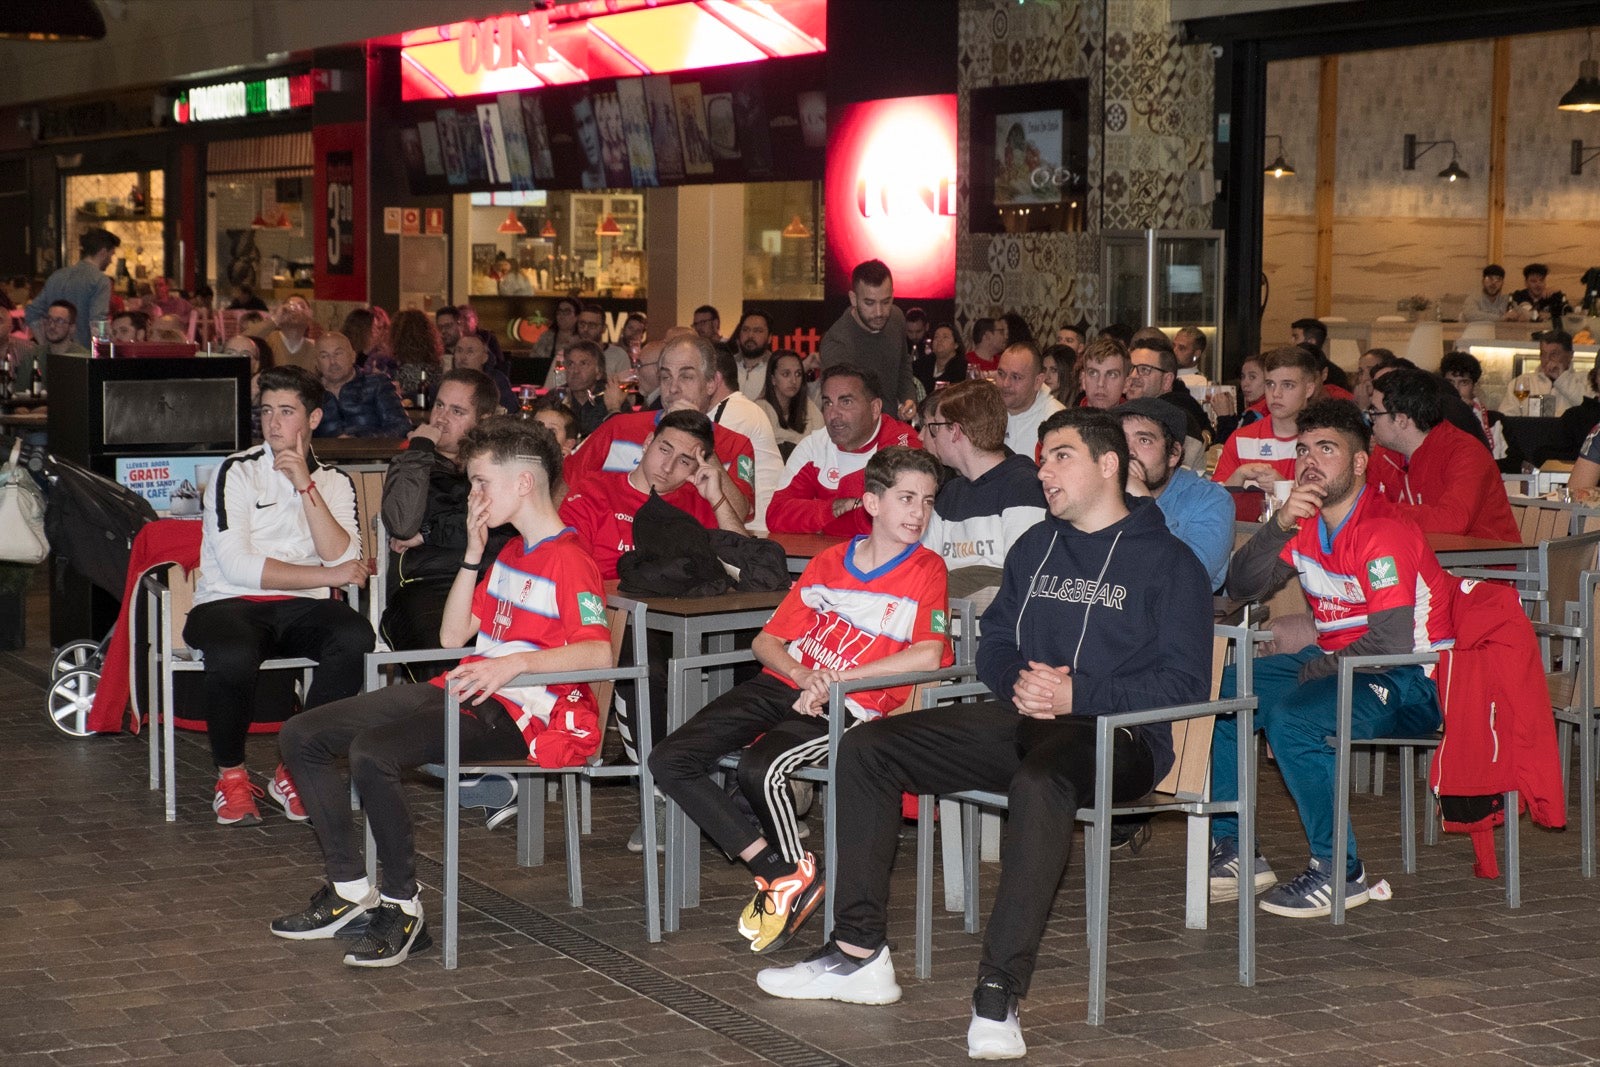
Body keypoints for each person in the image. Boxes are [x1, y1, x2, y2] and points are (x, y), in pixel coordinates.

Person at [755, 409, 1210, 1060]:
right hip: (1026, 717)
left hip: (1119, 737)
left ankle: (998, 989)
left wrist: (1080, 693)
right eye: (1043, 455)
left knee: (1041, 779)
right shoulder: (1037, 546)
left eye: (1060, 456)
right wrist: (1020, 681)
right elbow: (995, 640)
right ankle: (858, 953)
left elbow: (1188, 683)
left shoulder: (1171, 564)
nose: (1042, 468)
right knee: (868, 746)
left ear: (1108, 466)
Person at [271, 418, 613, 967]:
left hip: (523, 713)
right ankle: (349, 890)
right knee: (302, 733)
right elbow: (454, 638)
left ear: (524, 483)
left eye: (481, 482)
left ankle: (404, 907)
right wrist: (473, 554)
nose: (473, 495)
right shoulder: (510, 552)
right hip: (467, 690)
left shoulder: (569, 559)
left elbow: (599, 655)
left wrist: (517, 664)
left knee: (372, 752)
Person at [651, 446, 952, 954]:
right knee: (670, 759)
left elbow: (927, 654)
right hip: (788, 683)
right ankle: (783, 873)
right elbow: (764, 642)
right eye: (906, 499)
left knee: (758, 767)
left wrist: (837, 679)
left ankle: (786, 878)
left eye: (926, 501)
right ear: (872, 503)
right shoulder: (830, 561)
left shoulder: (927, 569)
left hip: (851, 702)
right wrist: (801, 670)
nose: (918, 513)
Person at [1209, 399, 1454, 918]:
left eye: (1327, 449)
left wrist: (1311, 670)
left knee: (1292, 719)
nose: (1310, 462)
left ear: (1360, 462)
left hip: (1414, 678)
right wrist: (1276, 526)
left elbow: (1389, 643)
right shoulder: (1305, 525)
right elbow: (1238, 589)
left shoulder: (1382, 530)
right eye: (1302, 450)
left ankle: (1340, 873)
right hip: (1341, 662)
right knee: (1226, 692)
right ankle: (1235, 852)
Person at [185, 365, 375, 827]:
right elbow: (238, 567)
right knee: (232, 651)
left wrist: (305, 485)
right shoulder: (237, 471)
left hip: (303, 608)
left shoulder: (335, 482)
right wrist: (323, 573)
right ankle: (230, 775)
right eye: (266, 411)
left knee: (354, 636)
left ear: (313, 418)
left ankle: (293, 768)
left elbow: (342, 556)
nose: (272, 423)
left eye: (286, 412)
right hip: (226, 603)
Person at [562, 334, 756, 522]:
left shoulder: (736, 445)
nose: (673, 388)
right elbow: (564, 485)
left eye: (686, 377)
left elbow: (738, 515)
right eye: (665, 377)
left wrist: (701, 438)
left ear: (711, 384)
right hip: (612, 548)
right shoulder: (618, 429)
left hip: (689, 551)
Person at [379, 368, 505, 655]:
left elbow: (502, 530)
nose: (441, 418)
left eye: (457, 411)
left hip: (490, 583)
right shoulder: (411, 462)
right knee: (442, 657)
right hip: (425, 584)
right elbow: (401, 525)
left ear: (482, 421)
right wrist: (420, 448)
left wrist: (429, 533)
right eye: (439, 405)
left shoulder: (498, 469)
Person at [560, 408, 749, 581]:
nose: (668, 467)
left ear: (697, 467)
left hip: (682, 612)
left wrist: (717, 499)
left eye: (684, 461)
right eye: (664, 450)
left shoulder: (700, 502)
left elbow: (749, 567)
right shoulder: (592, 492)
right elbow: (569, 572)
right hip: (610, 609)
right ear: (648, 442)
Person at [920, 380, 1046, 609]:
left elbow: (1024, 582)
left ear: (955, 431)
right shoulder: (950, 493)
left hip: (994, 636)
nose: (929, 438)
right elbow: (924, 571)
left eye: (935, 428)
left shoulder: (1024, 488)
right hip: (947, 629)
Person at [1366, 368, 1520, 541]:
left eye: (1375, 413)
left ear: (1401, 420)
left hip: (1481, 562)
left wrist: (1379, 511)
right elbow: (1362, 504)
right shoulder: (1385, 453)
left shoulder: (1466, 453)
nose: (1370, 420)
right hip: (1422, 558)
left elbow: (1452, 522)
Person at [767, 364, 921, 537]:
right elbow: (776, 515)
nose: (833, 414)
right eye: (828, 403)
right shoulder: (814, 446)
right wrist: (833, 508)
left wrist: (820, 523)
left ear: (875, 408)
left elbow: (891, 521)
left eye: (846, 402)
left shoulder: (902, 443)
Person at [1114, 397, 1233, 592]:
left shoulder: (1212, 501)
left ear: (1173, 454)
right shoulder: (1104, 493)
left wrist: (1145, 505)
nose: (1129, 452)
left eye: (1144, 440)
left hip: (1171, 617)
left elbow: (1188, 580)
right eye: (1121, 440)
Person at [819, 259, 916, 420]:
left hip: (892, 425)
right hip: (857, 433)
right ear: (853, 299)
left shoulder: (896, 317)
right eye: (869, 303)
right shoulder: (837, 343)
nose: (879, 312)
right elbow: (842, 405)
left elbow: (903, 365)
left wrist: (908, 398)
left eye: (886, 302)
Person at [701, 346, 785, 532]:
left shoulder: (735, 412)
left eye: (691, 377)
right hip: (748, 526)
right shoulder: (730, 409)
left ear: (713, 380)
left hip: (757, 531)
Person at [1213, 346, 1318, 487]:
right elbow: (1213, 502)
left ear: (1309, 389)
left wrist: (1283, 487)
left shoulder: (1325, 441)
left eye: (1287, 385)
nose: (1276, 393)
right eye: (1270, 384)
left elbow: (1335, 505)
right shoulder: (1240, 439)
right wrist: (1237, 478)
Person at [27, 226, 118, 350]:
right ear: (102, 252)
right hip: (83, 354)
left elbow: (32, 312)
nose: (111, 261)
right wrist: (104, 353)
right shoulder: (101, 280)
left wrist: (44, 344)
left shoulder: (57, 275)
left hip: (55, 353)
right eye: (111, 255)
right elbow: (98, 322)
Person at [312, 332, 412, 439]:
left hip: (374, 454)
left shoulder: (376, 384)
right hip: (324, 455)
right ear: (316, 364)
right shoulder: (309, 392)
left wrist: (357, 439)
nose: (332, 362)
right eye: (324, 356)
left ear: (353, 356)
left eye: (338, 353)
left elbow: (401, 427)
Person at [1123, 332, 1212, 447]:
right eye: (1131, 368)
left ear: (1167, 381)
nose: (1133, 375)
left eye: (1145, 370)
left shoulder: (1173, 419)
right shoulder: (1121, 402)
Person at [994, 342, 1065, 457]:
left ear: (1037, 382)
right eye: (1001, 374)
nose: (1005, 383)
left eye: (1016, 377)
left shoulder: (1057, 420)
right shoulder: (985, 409)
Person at [1499, 331, 1587, 416]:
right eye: (1543, 354)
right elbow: (1505, 417)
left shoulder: (1585, 381)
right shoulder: (1522, 382)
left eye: (1553, 354)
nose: (1547, 359)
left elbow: (1590, 410)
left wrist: (1562, 379)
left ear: (1570, 355)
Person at [758, 350, 823, 457]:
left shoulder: (809, 407)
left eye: (798, 374)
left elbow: (821, 442)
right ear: (773, 379)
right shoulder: (761, 409)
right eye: (786, 374)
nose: (793, 380)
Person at [558, 339, 625, 437]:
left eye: (583, 363)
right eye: (570, 364)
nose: (575, 371)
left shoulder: (613, 398)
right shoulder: (556, 397)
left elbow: (624, 437)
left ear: (599, 372)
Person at [15, 299, 88, 387]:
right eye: (49, 319)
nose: (52, 325)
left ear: (72, 328)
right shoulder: (32, 356)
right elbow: (20, 394)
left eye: (59, 321)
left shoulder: (84, 359)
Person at [1438, 350, 1499, 450]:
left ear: (1474, 386)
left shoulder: (1495, 420)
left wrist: (1466, 413)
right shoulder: (1433, 417)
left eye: (1463, 383)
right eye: (1450, 382)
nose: (1456, 388)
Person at [449, 332, 516, 414]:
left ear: (484, 358)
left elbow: (512, 410)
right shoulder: (447, 381)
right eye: (459, 351)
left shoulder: (496, 380)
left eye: (470, 352)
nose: (462, 357)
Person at [262, 295, 316, 372]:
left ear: (309, 315)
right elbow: (244, 340)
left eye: (301, 306)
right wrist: (276, 319)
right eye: (289, 307)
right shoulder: (268, 340)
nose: (295, 311)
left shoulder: (315, 348)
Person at [914, 322, 967, 397]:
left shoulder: (963, 368)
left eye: (945, 337)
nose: (939, 340)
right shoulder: (922, 364)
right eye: (936, 337)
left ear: (956, 344)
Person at [1076, 336, 1129, 411]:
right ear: (1083, 380)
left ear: (1126, 384)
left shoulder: (1141, 422)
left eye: (1112, 375)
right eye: (1093, 373)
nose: (1100, 383)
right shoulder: (1065, 421)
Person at [530, 297, 581, 369]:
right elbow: (533, 361)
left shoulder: (581, 339)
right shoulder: (547, 336)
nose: (562, 316)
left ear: (577, 316)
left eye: (567, 312)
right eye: (559, 312)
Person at [734, 310, 774, 400]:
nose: (750, 335)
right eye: (745, 330)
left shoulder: (775, 367)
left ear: (770, 338)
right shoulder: (728, 364)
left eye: (758, 331)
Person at [1039, 342, 1077, 409]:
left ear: (1070, 372)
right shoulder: (1035, 400)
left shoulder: (1078, 404)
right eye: (1044, 370)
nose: (1046, 376)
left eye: (1054, 370)